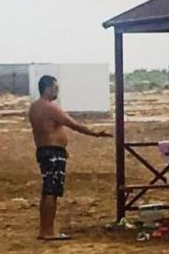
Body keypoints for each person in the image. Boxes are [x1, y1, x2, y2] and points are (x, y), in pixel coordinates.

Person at [29, 75, 112, 241]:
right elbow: (73, 124)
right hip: (53, 153)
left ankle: (45, 229)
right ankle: (48, 231)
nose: (57, 91)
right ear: (48, 88)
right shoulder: (50, 107)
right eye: (55, 88)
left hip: (45, 150)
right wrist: (95, 133)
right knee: (52, 191)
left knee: (47, 190)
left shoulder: (35, 107)